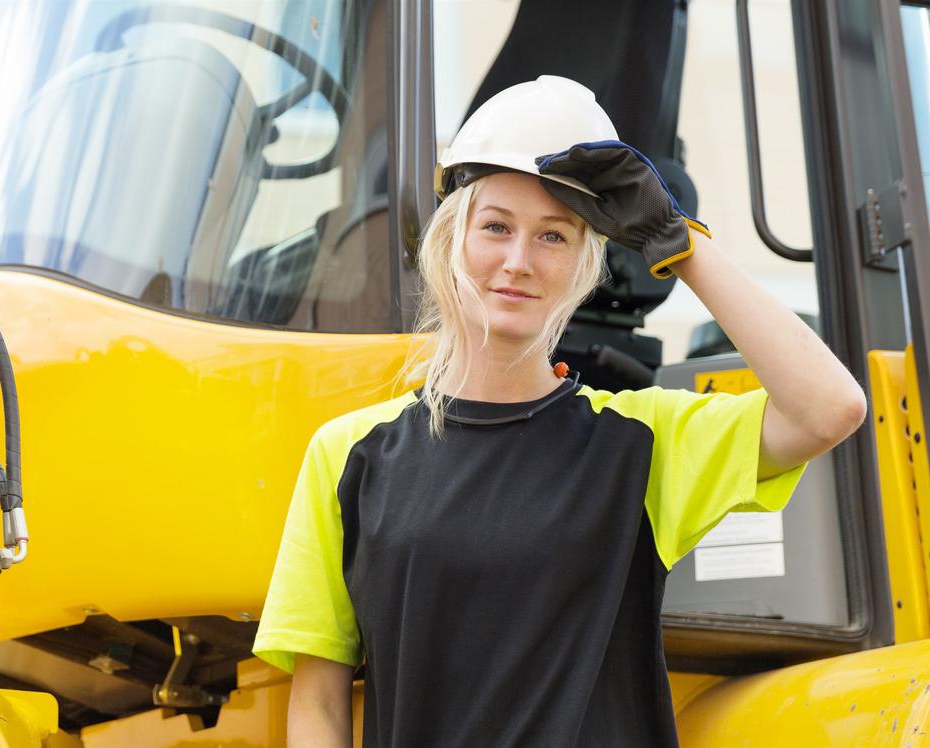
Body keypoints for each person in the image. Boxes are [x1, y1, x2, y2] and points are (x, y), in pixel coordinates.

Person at [251, 76, 867, 747]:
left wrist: (678, 243)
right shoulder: (350, 455)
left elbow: (828, 408)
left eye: (553, 236)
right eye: (496, 227)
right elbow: (318, 707)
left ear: (582, 263)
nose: (518, 261)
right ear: (451, 239)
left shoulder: (638, 444)